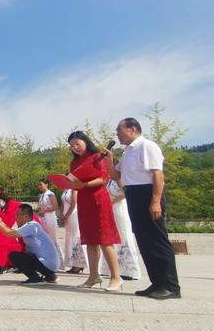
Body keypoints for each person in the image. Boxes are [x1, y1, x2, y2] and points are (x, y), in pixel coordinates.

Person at [103, 118, 180, 300]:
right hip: (133, 194)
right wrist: (109, 160)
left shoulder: (147, 146)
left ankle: (171, 286)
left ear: (132, 129)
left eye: (119, 130)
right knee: (145, 241)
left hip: (147, 194)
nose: (117, 135)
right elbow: (116, 175)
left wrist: (155, 201)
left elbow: (158, 175)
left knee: (157, 241)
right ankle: (157, 283)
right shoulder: (128, 151)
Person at [67, 131, 122, 291]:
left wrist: (85, 185)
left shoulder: (99, 156)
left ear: (85, 141)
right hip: (84, 202)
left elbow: (104, 178)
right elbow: (74, 180)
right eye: (71, 146)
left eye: (77, 143)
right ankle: (93, 276)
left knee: (105, 239)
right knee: (90, 240)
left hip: (98, 199)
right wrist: (69, 182)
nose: (75, 147)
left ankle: (116, 277)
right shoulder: (74, 163)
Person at [0, 204, 59, 285]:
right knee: (25, 255)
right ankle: (50, 276)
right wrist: (1, 221)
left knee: (14, 255)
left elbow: (10, 234)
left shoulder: (31, 226)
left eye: (17, 215)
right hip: (50, 265)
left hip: (46, 264)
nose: (15, 217)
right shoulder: (32, 225)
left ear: (25, 216)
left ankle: (35, 277)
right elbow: (10, 231)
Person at [101, 178, 141, 281]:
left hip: (120, 208)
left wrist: (113, 200)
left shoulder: (120, 179)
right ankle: (115, 269)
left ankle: (129, 270)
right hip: (111, 209)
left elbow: (126, 192)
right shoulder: (109, 181)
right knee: (114, 237)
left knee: (123, 236)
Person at [36, 179, 65, 271]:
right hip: (43, 218)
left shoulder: (50, 194)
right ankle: (48, 260)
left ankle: (59, 262)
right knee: (44, 239)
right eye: (39, 185)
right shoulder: (41, 196)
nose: (39, 186)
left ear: (46, 184)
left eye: (41, 184)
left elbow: (55, 206)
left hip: (50, 218)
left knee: (52, 239)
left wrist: (45, 210)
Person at [61, 188, 86, 273]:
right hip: (66, 215)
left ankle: (79, 264)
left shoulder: (74, 189)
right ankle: (73, 263)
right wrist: (62, 214)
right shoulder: (65, 190)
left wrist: (67, 215)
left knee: (75, 237)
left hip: (73, 214)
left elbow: (74, 203)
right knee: (69, 239)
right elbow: (63, 204)